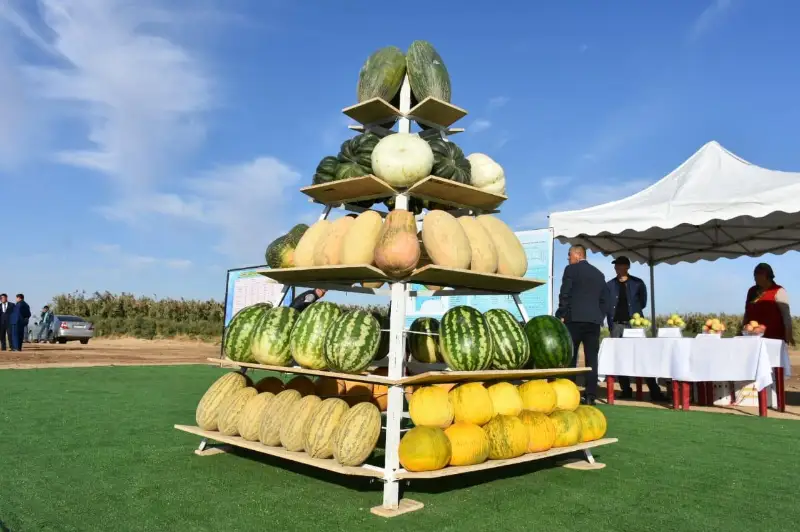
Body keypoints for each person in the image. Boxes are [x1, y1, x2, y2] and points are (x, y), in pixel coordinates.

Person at [605, 256, 666, 402]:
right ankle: (626, 390)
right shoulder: (609, 285)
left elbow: (643, 303)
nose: (616, 268)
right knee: (619, 358)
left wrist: (634, 317)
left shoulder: (638, 283)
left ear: (627, 267)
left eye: (619, 266)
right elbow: (607, 305)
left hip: (635, 325)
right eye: (615, 266)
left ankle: (654, 391)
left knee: (643, 356)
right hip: (617, 325)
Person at [555, 245, 609, 405]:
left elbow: (565, 293)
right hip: (593, 322)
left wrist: (561, 314)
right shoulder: (599, 274)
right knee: (592, 359)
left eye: (569, 255)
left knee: (571, 357)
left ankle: (570, 393)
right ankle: (591, 395)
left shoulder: (571, 270)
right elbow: (605, 299)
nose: (568, 258)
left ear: (578, 255)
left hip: (574, 319)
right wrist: (599, 316)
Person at [742, 263, 794, 345]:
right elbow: (747, 313)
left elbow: (786, 317)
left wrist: (788, 338)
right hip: (752, 339)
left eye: (758, 274)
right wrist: (742, 331)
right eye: (755, 274)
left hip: (773, 340)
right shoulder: (752, 291)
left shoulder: (779, 291)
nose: (755, 277)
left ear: (767, 276)